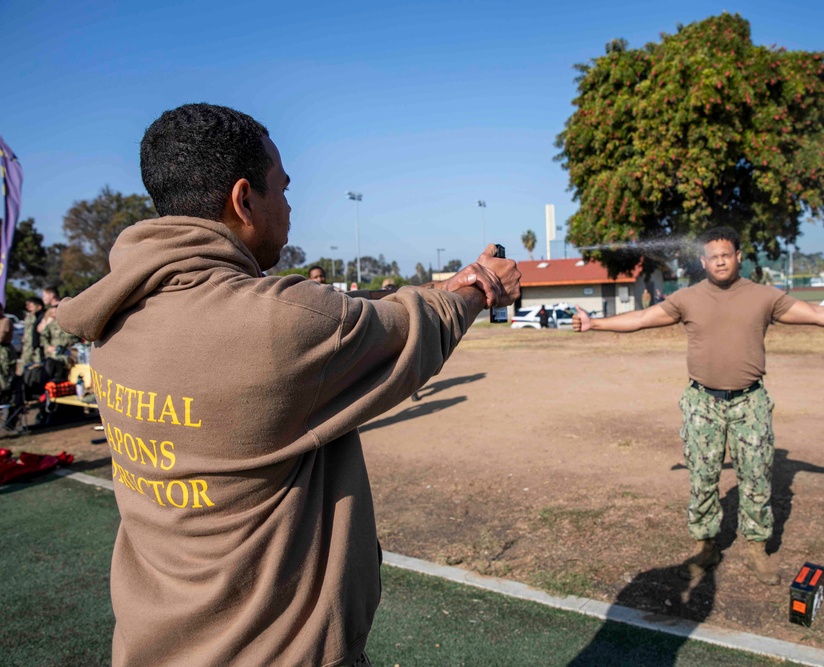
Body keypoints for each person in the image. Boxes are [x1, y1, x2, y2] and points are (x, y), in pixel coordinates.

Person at [56, 103, 520, 667]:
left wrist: (442, 285)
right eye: (283, 188)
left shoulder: (114, 321)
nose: (290, 206)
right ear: (244, 199)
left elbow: (346, 316)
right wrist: (480, 288)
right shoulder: (276, 325)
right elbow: (411, 330)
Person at [572, 226, 824, 585]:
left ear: (739, 256)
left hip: (750, 403)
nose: (720, 261)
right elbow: (640, 319)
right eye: (713, 256)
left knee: (757, 478)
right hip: (702, 403)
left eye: (726, 255)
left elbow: (821, 314)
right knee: (702, 478)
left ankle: (757, 550)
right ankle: (705, 546)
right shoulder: (687, 298)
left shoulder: (764, 297)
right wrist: (595, 323)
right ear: (703, 261)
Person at [38, 286, 80, 365]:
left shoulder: (68, 307)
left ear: (51, 295)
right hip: (55, 353)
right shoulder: (49, 312)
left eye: (44, 295)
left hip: (72, 351)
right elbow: (40, 330)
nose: (43, 298)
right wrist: (48, 347)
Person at [19, 297, 44, 369]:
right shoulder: (28, 316)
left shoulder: (41, 316)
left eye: (30, 305)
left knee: (37, 366)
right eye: (27, 305)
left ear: (39, 306)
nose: (28, 307)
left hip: (36, 346)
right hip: (27, 346)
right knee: (25, 365)